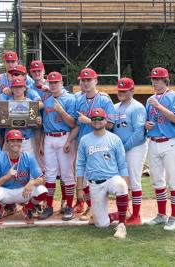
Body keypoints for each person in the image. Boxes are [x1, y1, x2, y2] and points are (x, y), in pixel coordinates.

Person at [76, 108, 129, 239]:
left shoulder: (115, 139)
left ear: (106, 120)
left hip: (112, 178)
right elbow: (80, 165)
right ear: (91, 121)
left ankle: (122, 224)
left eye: (100, 119)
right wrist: (79, 188)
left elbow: (122, 164)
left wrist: (126, 185)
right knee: (101, 224)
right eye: (94, 119)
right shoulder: (84, 140)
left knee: (121, 185)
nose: (97, 121)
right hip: (94, 183)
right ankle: (113, 216)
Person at [70, 68, 116, 219]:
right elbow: (77, 125)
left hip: (100, 143)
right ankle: (92, 207)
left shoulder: (104, 99)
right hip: (83, 142)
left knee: (97, 177)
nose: (85, 83)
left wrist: (89, 121)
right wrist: (69, 141)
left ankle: (97, 210)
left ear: (96, 81)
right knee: (82, 177)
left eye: (88, 80)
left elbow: (110, 124)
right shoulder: (79, 100)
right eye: (83, 80)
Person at [144, 67, 175, 231]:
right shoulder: (149, 99)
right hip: (153, 141)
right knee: (157, 180)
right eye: (153, 79)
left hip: (170, 142)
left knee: (173, 180)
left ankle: (174, 217)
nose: (154, 82)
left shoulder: (174, 96)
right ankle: (161, 215)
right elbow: (147, 121)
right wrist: (146, 125)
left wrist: (159, 106)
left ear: (166, 80)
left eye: (158, 79)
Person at [0, 129, 48, 225]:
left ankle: (28, 208)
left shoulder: (28, 157)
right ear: (7, 142)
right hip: (5, 192)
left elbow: (42, 180)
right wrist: (6, 177)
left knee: (42, 190)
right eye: (12, 140)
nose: (16, 143)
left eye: (18, 140)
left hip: (23, 192)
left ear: (22, 142)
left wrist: (32, 182)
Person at [39, 71, 77, 221]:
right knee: (50, 173)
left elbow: (73, 124)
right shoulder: (47, 99)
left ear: (61, 83)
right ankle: (48, 206)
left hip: (64, 136)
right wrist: (41, 142)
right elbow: (43, 125)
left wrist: (61, 111)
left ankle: (69, 206)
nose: (53, 85)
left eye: (56, 82)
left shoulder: (70, 99)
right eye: (51, 82)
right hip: (49, 138)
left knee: (67, 174)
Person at [113, 78, 148, 225]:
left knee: (134, 181)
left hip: (135, 148)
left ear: (132, 91)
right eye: (120, 90)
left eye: (125, 90)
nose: (121, 93)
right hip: (121, 149)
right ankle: (124, 210)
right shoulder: (115, 107)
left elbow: (139, 133)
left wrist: (124, 147)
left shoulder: (138, 107)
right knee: (122, 181)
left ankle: (136, 215)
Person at [0, 77, 42, 154]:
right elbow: (2, 124)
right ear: (11, 89)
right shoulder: (6, 104)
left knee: (27, 164)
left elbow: (36, 125)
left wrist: (38, 122)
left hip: (26, 141)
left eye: (20, 87)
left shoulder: (31, 104)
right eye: (15, 87)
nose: (17, 89)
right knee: (10, 164)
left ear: (24, 88)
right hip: (10, 140)